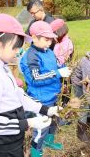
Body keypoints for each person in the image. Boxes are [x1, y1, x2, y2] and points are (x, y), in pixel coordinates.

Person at [0, 14, 61, 157]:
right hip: (1, 147)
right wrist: (28, 123)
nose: (17, 52)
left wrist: (45, 109)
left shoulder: (2, 66)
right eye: (15, 47)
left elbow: (18, 94)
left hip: (12, 141)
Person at [20, 21, 72, 156]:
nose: (49, 42)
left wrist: (62, 68)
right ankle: (36, 151)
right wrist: (57, 73)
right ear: (34, 37)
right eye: (46, 39)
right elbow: (35, 79)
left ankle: (49, 140)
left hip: (53, 95)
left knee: (54, 121)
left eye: (51, 39)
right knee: (41, 127)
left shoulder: (48, 51)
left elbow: (54, 66)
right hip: (41, 99)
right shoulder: (31, 56)